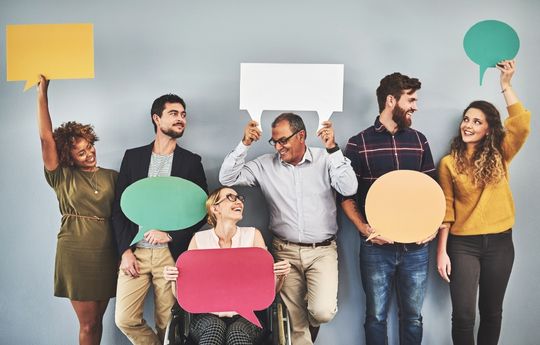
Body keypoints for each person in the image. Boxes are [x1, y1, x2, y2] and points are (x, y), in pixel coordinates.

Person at [219, 113, 357, 344]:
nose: (279, 147)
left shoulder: (326, 158)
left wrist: (333, 148)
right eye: (274, 142)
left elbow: (349, 187)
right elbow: (226, 177)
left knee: (322, 311)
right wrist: (245, 144)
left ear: (301, 135)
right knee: (295, 323)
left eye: (283, 140)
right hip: (284, 251)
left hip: (322, 251)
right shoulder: (264, 165)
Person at [436, 60, 530, 345]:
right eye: (466, 119)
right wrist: (442, 252)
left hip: (501, 244)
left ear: (488, 129)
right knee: (463, 316)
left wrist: (506, 85)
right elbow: (446, 210)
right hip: (463, 245)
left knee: (491, 312)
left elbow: (522, 124)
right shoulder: (449, 163)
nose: (468, 125)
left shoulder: (501, 154)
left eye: (477, 121)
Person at [340, 72, 438, 345]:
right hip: (376, 248)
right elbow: (345, 197)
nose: (415, 106)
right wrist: (365, 229)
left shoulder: (419, 140)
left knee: (413, 318)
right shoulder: (358, 143)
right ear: (391, 100)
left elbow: (432, 191)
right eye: (411, 100)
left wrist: (431, 228)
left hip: (416, 249)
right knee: (375, 317)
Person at [112, 94, 208, 345]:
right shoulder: (133, 157)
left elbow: (202, 210)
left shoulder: (191, 162)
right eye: (174, 113)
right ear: (157, 118)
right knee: (124, 318)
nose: (181, 119)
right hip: (135, 252)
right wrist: (124, 251)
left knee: (167, 322)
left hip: (170, 253)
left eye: (183, 115)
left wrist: (172, 235)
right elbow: (119, 208)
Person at [37, 75, 118, 345]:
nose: (89, 154)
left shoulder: (112, 177)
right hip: (76, 251)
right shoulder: (62, 177)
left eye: (90, 146)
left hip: (106, 250)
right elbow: (46, 139)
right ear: (68, 156)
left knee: (97, 323)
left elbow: (124, 215)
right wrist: (42, 94)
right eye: (80, 152)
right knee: (86, 324)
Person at [163, 187, 291, 344]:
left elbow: (269, 291)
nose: (238, 201)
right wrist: (173, 279)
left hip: (248, 316)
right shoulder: (199, 239)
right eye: (230, 197)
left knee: (237, 333)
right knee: (214, 329)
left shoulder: (252, 235)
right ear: (215, 208)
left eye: (239, 198)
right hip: (206, 316)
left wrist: (280, 275)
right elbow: (185, 294)